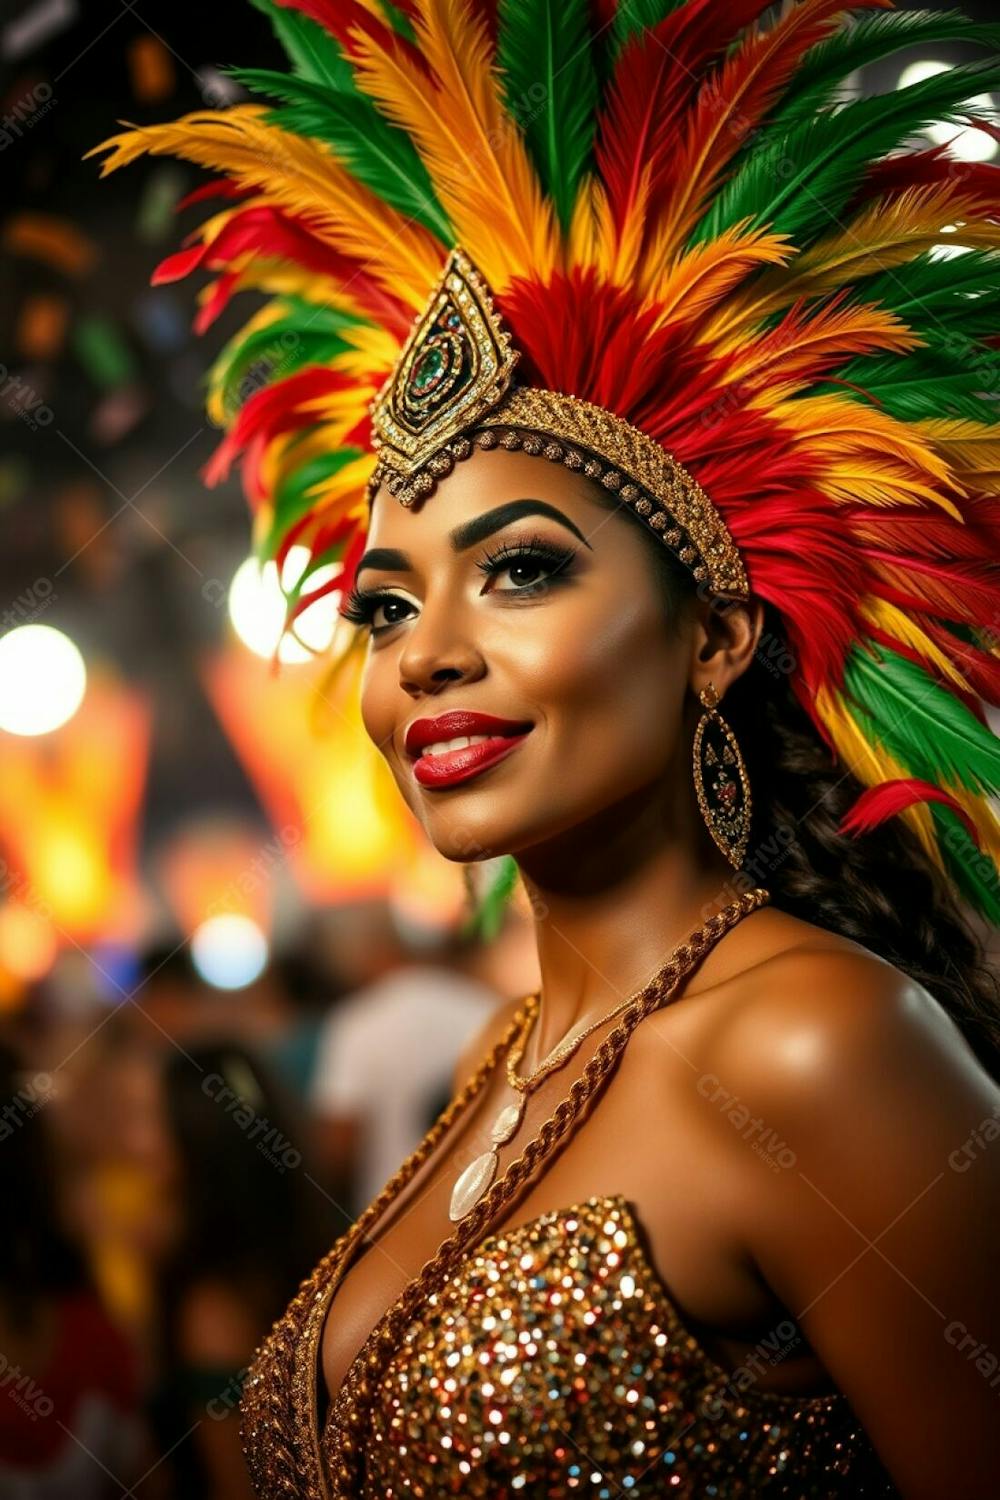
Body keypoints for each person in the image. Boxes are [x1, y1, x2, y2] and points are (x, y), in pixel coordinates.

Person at [88, 2, 1000, 1493]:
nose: (427, 650)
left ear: (712, 636)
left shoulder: (817, 1044)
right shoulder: (502, 1063)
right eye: (387, 605)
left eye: (521, 569)